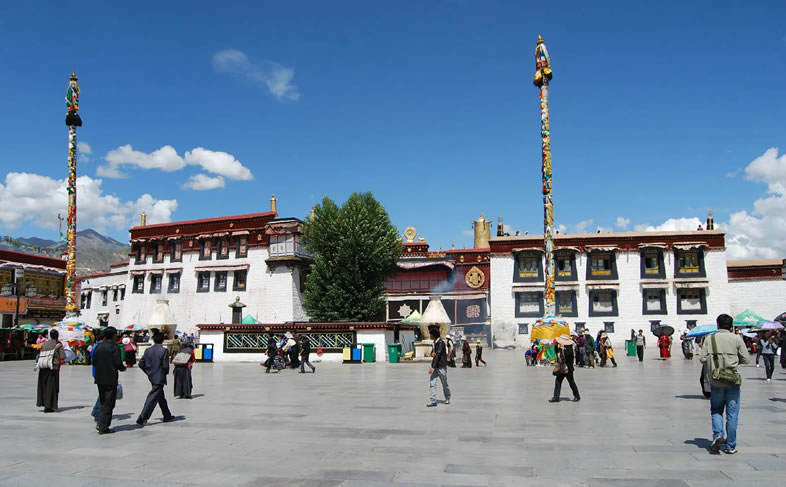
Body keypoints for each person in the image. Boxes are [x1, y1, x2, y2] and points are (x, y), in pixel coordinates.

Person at [700, 313, 750, 454]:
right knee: (732, 414)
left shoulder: (710, 339)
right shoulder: (736, 339)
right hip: (733, 381)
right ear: (731, 326)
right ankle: (731, 446)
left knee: (716, 410)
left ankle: (718, 434)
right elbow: (746, 359)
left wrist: (714, 361)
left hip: (716, 381)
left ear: (718, 325)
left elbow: (703, 359)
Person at [92, 327, 126, 434]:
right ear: (114, 335)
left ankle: (100, 422)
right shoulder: (114, 347)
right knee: (109, 403)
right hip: (110, 378)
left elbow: (94, 360)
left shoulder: (99, 346)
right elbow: (118, 363)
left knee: (103, 400)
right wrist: (122, 368)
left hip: (99, 377)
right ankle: (103, 426)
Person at [136, 332, 174, 426]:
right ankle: (142, 418)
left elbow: (141, 363)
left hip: (152, 376)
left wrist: (148, 372)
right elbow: (165, 366)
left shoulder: (148, 350)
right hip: (159, 376)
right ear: (163, 340)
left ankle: (167, 415)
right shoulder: (164, 350)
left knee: (160, 396)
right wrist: (165, 373)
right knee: (152, 398)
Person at [36, 329, 66, 413]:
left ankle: (43, 403)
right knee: (52, 387)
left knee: (43, 386)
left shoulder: (44, 344)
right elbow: (62, 356)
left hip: (43, 366)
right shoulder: (58, 344)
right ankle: (49, 406)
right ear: (57, 336)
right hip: (53, 368)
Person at [549, 334, 580, 403]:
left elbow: (566, 356)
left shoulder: (569, 349)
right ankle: (556, 397)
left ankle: (577, 396)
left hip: (568, 368)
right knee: (558, 381)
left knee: (571, 382)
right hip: (561, 367)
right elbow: (556, 353)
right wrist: (555, 346)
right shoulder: (561, 348)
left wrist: (563, 350)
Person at [427, 326, 451, 407]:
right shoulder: (434, 343)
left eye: (430, 334)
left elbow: (438, 355)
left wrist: (432, 367)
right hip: (435, 366)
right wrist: (432, 354)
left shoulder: (441, 343)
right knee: (432, 383)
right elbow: (434, 353)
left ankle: (447, 397)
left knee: (444, 383)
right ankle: (433, 400)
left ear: (433, 335)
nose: (430, 336)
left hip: (441, 366)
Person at [89, 330, 105, 421]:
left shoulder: (95, 346)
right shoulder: (99, 347)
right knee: (103, 394)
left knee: (102, 393)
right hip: (100, 373)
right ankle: (97, 411)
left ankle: (96, 410)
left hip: (96, 372)